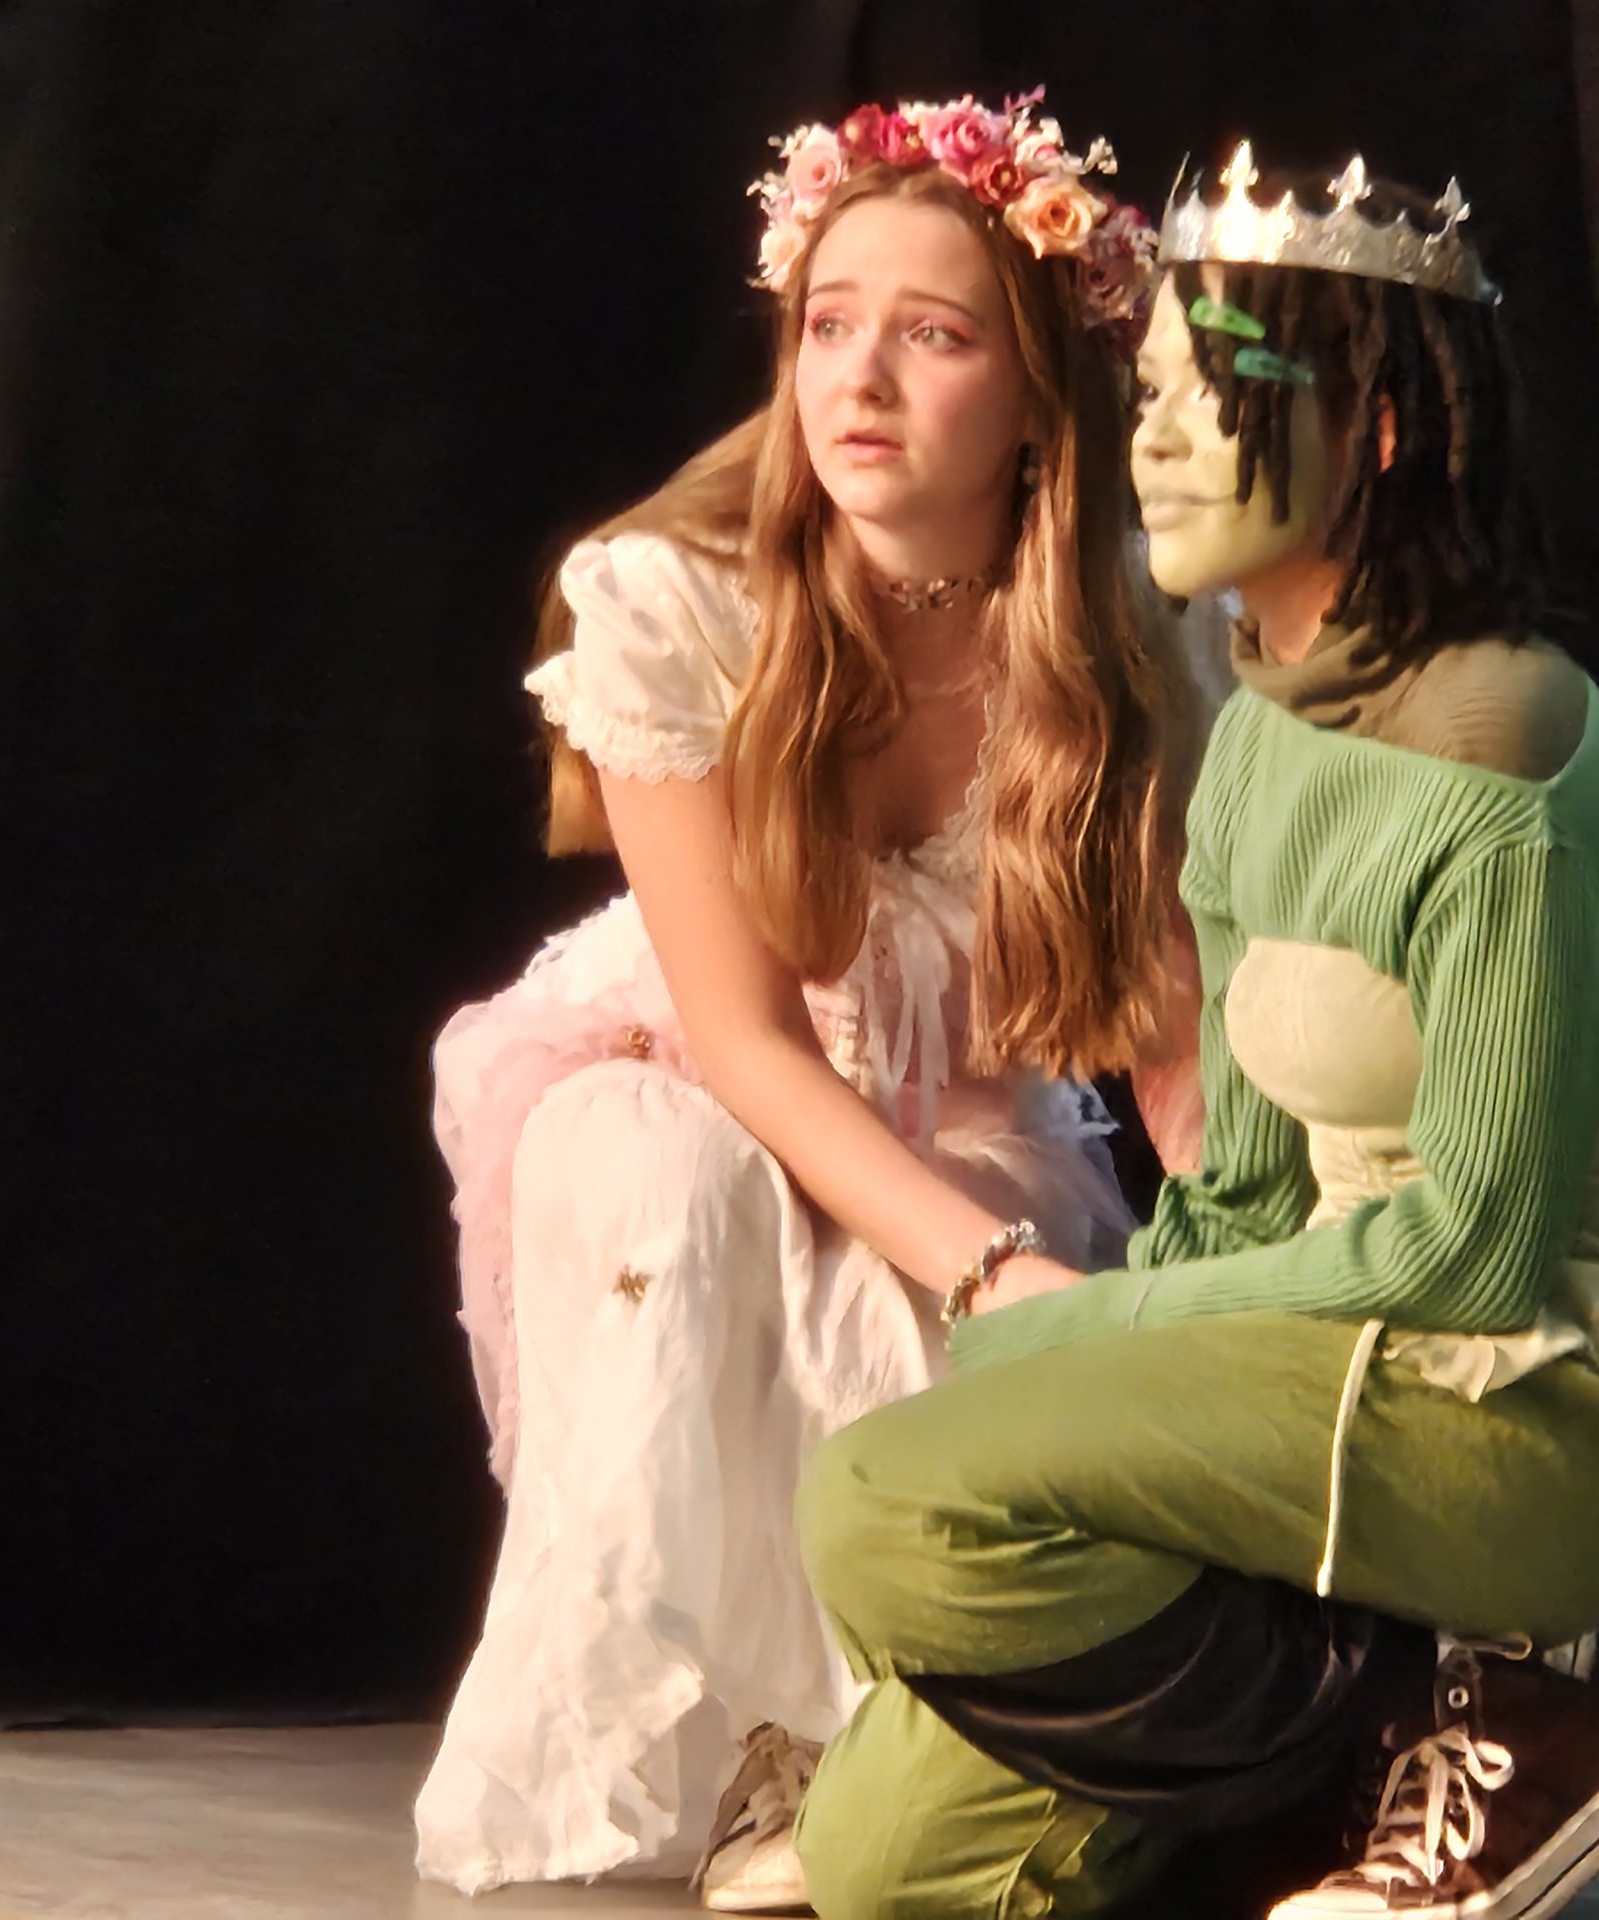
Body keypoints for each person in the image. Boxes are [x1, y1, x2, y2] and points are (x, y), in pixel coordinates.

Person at [791, 146, 1599, 1920]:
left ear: (1378, 428)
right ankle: (1369, 1759)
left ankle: (1496, 1724)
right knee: (886, 1868)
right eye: (1142, 391)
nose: (1146, 439)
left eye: (1205, 394)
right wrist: (1102, 1347)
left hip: (1532, 1412)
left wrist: (1103, 1324)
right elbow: (1247, 1184)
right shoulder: (1260, 731)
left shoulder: (1502, 746)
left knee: (881, 1505)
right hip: (1326, 1380)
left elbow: (1473, 1252)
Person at [412, 92, 1198, 1912]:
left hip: (957, 1109)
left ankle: (877, 1760)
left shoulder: (1121, 630)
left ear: (1038, 398)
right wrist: (992, 1276)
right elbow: (750, 1045)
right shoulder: (680, 601)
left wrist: (1265, 1283)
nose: (862, 378)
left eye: (934, 336)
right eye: (829, 325)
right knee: (670, 1179)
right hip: (691, 1071)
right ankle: (747, 1736)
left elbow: (1170, 1028)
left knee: (977, 1332)